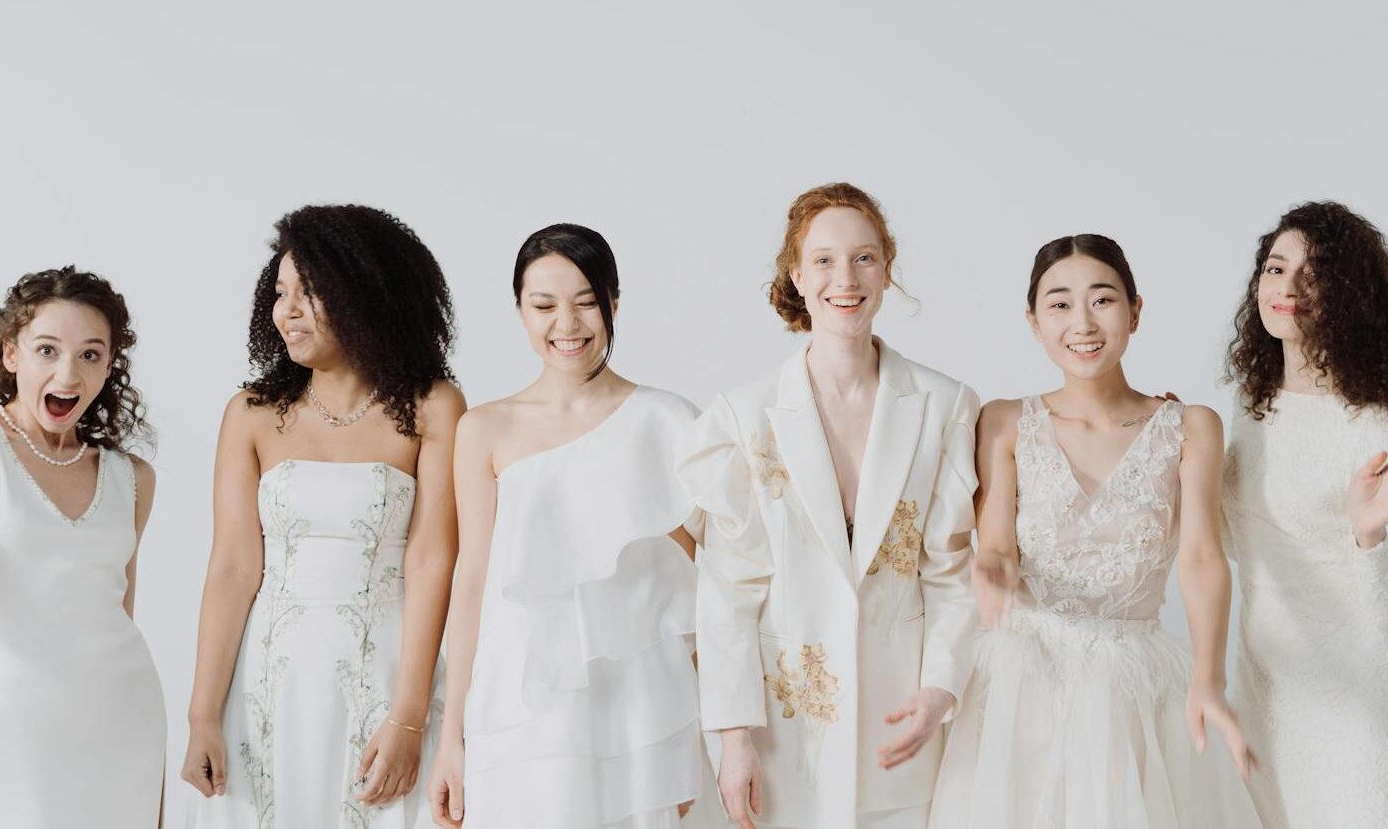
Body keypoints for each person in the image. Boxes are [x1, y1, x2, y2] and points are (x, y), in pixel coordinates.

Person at [929, 235, 1260, 827]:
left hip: (1134, 689)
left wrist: (1210, 677)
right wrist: (992, 570)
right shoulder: (1004, 421)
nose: (1081, 322)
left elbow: (1203, 558)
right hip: (1023, 685)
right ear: (1033, 322)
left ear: (1135, 311)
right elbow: (997, 546)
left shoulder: (1191, 427)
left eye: (1102, 300)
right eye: (1059, 304)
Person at [678, 183, 979, 829]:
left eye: (864, 258)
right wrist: (732, 739)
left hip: (901, 727)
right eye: (824, 260)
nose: (846, 278)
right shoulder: (741, 417)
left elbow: (951, 573)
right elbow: (728, 588)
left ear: (887, 269)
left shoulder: (944, 405)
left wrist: (939, 691)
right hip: (783, 734)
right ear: (796, 274)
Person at [184, 204, 464, 829]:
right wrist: (203, 713)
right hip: (268, 681)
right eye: (280, 293)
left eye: (309, 293)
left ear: (368, 294)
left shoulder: (433, 407)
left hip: (391, 674)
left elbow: (432, 560)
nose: (287, 311)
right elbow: (232, 568)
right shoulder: (251, 413)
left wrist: (410, 717)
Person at [428, 223, 716, 828]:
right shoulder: (484, 428)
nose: (568, 323)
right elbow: (473, 580)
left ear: (612, 302)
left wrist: (689, 734)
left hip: (638, 708)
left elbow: (702, 594)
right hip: (520, 702)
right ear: (520, 311)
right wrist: (451, 736)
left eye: (586, 302)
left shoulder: (668, 422)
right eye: (545, 306)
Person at [1222, 202, 1388, 828]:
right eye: (1277, 268)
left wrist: (1368, 532)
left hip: (1357, 702)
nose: (1289, 288)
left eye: (1316, 273)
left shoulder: (1375, 421)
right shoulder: (1244, 409)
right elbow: (1231, 542)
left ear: (1350, 295)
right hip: (1269, 689)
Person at [0, 266, 165, 828]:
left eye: (90, 355)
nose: (68, 373)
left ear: (110, 366)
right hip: (13, 724)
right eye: (47, 350)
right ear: (10, 354)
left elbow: (119, 609)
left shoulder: (133, 478)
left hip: (125, 717)